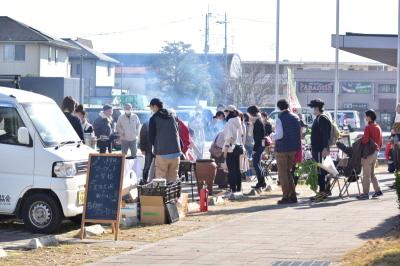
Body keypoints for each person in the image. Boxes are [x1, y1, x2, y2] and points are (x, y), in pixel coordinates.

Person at [271, 99, 301, 204]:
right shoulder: (296, 117)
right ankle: (293, 195)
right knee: (289, 172)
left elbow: (279, 135)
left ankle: (286, 196)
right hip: (293, 149)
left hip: (282, 148)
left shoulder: (280, 118)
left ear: (279, 107)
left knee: (283, 174)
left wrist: (271, 136)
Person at [148, 98, 181, 182]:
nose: (151, 109)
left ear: (155, 106)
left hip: (162, 153)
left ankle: (163, 195)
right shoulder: (172, 116)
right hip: (176, 152)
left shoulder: (154, 118)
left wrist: (155, 147)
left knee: (161, 179)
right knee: (173, 179)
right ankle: (173, 195)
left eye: (151, 107)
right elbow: (177, 132)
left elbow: (151, 137)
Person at [308, 99, 332, 201]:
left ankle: (322, 193)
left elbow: (325, 135)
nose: (312, 110)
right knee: (323, 170)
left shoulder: (322, 118)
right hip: (318, 149)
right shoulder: (319, 118)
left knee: (321, 171)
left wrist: (325, 148)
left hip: (320, 149)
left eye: (313, 107)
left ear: (317, 108)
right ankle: (326, 191)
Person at [358, 109, 383, 200]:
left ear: (369, 117)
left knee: (366, 175)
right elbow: (380, 141)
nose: (365, 118)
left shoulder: (368, 127)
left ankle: (365, 194)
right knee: (372, 174)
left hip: (368, 153)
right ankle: (378, 190)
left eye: (366, 116)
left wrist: (361, 137)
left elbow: (365, 141)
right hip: (376, 152)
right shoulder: (378, 127)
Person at [222, 105, 244, 194]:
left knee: (231, 170)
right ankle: (238, 188)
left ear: (229, 112)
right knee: (237, 169)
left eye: (226, 111)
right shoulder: (238, 120)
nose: (225, 113)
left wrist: (225, 151)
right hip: (238, 147)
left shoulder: (230, 122)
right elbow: (242, 135)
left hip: (230, 147)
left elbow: (229, 137)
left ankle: (233, 189)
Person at [247, 106, 266, 190]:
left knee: (256, 164)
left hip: (259, 145)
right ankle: (262, 182)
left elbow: (257, 137)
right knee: (258, 164)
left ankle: (260, 182)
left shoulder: (257, 121)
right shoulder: (259, 119)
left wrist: (254, 149)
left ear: (252, 113)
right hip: (261, 144)